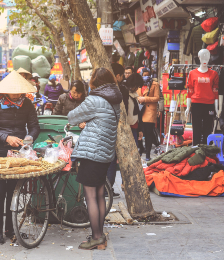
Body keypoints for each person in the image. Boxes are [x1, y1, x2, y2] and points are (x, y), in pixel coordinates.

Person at [68, 67, 122, 250]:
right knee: (99, 194)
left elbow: (72, 117)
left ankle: (97, 237)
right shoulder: (115, 101)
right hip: (106, 153)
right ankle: (100, 235)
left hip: (92, 153)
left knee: (90, 196)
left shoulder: (93, 100)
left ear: (94, 82)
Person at [0, 70, 40, 245]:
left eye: (19, 91)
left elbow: (34, 126)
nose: (16, 94)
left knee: (13, 192)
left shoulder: (28, 104)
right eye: (12, 90)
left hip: (17, 154)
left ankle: (10, 229)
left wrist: (30, 138)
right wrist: (6, 138)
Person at [106, 63, 129, 198]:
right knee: (112, 161)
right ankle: (108, 189)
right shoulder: (121, 90)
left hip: (104, 130)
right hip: (116, 129)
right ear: (118, 76)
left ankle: (105, 188)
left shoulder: (100, 89)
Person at [137, 67, 160, 161]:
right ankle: (141, 148)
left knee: (149, 134)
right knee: (139, 132)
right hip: (139, 111)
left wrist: (145, 99)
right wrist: (139, 99)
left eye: (147, 75)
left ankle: (147, 154)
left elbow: (157, 98)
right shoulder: (138, 84)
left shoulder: (155, 84)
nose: (146, 77)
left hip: (150, 111)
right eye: (144, 75)